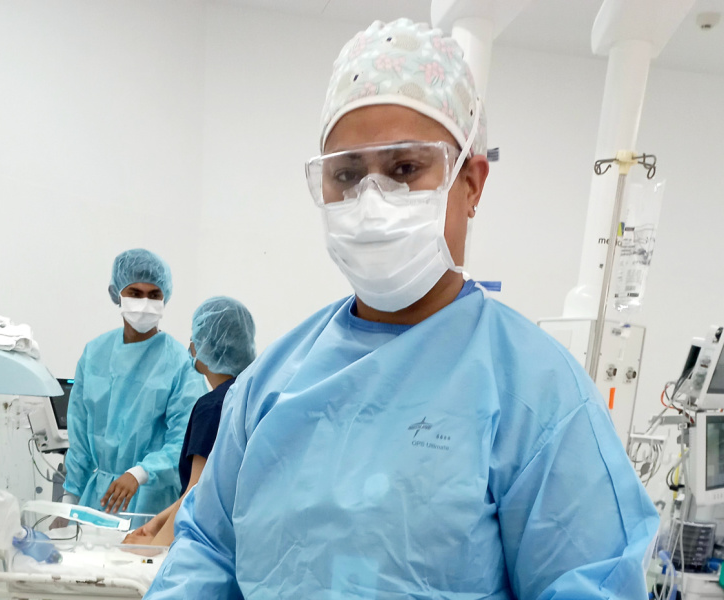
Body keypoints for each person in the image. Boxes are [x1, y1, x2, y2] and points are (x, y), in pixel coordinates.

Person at [145, 19, 659, 600]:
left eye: (405, 169)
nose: (372, 200)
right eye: (347, 173)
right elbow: (207, 553)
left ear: (472, 181)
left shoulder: (539, 397)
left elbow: (588, 584)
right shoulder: (271, 384)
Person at [61, 249, 208, 517]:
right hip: (98, 500)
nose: (144, 302)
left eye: (154, 295)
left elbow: (184, 441)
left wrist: (140, 473)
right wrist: (69, 496)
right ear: (117, 293)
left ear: (166, 297)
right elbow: (80, 434)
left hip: (152, 502)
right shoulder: (95, 354)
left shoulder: (180, 363)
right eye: (135, 293)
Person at [123, 297, 256, 546]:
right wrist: (156, 524)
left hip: (212, 544)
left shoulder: (214, 407)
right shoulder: (252, 395)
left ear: (205, 346)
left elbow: (196, 495)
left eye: (196, 337)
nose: (191, 346)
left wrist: (153, 550)